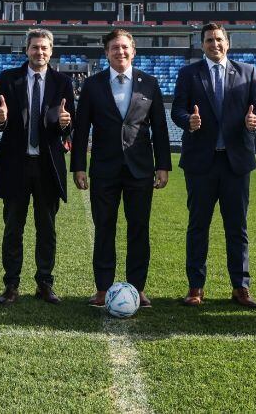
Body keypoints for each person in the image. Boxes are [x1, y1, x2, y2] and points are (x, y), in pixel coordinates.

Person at [72, 29, 171, 308]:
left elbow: (160, 129)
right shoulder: (93, 85)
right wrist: (79, 166)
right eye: (114, 48)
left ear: (133, 51)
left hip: (140, 168)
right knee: (104, 227)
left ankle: (137, 288)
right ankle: (103, 288)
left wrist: (163, 165)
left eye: (125, 47)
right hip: (104, 169)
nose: (120, 52)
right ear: (106, 53)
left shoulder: (149, 83)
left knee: (138, 228)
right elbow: (81, 130)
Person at [170, 24, 256, 307]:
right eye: (209, 40)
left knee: (237, 227)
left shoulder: (247, 72)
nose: (215, 44)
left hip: (236, 162)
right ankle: (196, 287)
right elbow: (177, 109)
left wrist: (255, 122)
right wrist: (188, 120)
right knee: (198, 225)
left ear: (228, 43)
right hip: (201, 162)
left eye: (219, 39)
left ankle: (240, 286)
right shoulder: (189, 73)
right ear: (202, 45)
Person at [0, 29, 74, 305]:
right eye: (35, 47)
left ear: (51, 51)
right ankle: (11, 284)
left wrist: (66, 125)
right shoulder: (8, 78)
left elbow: (68, 125)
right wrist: (0, 119)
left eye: (45, 48)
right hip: (16, 164)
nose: (40, 52)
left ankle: (44, 282)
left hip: (48, 166)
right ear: (26, 50)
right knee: (13, 227)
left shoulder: (62, 82)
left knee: (46, 228)